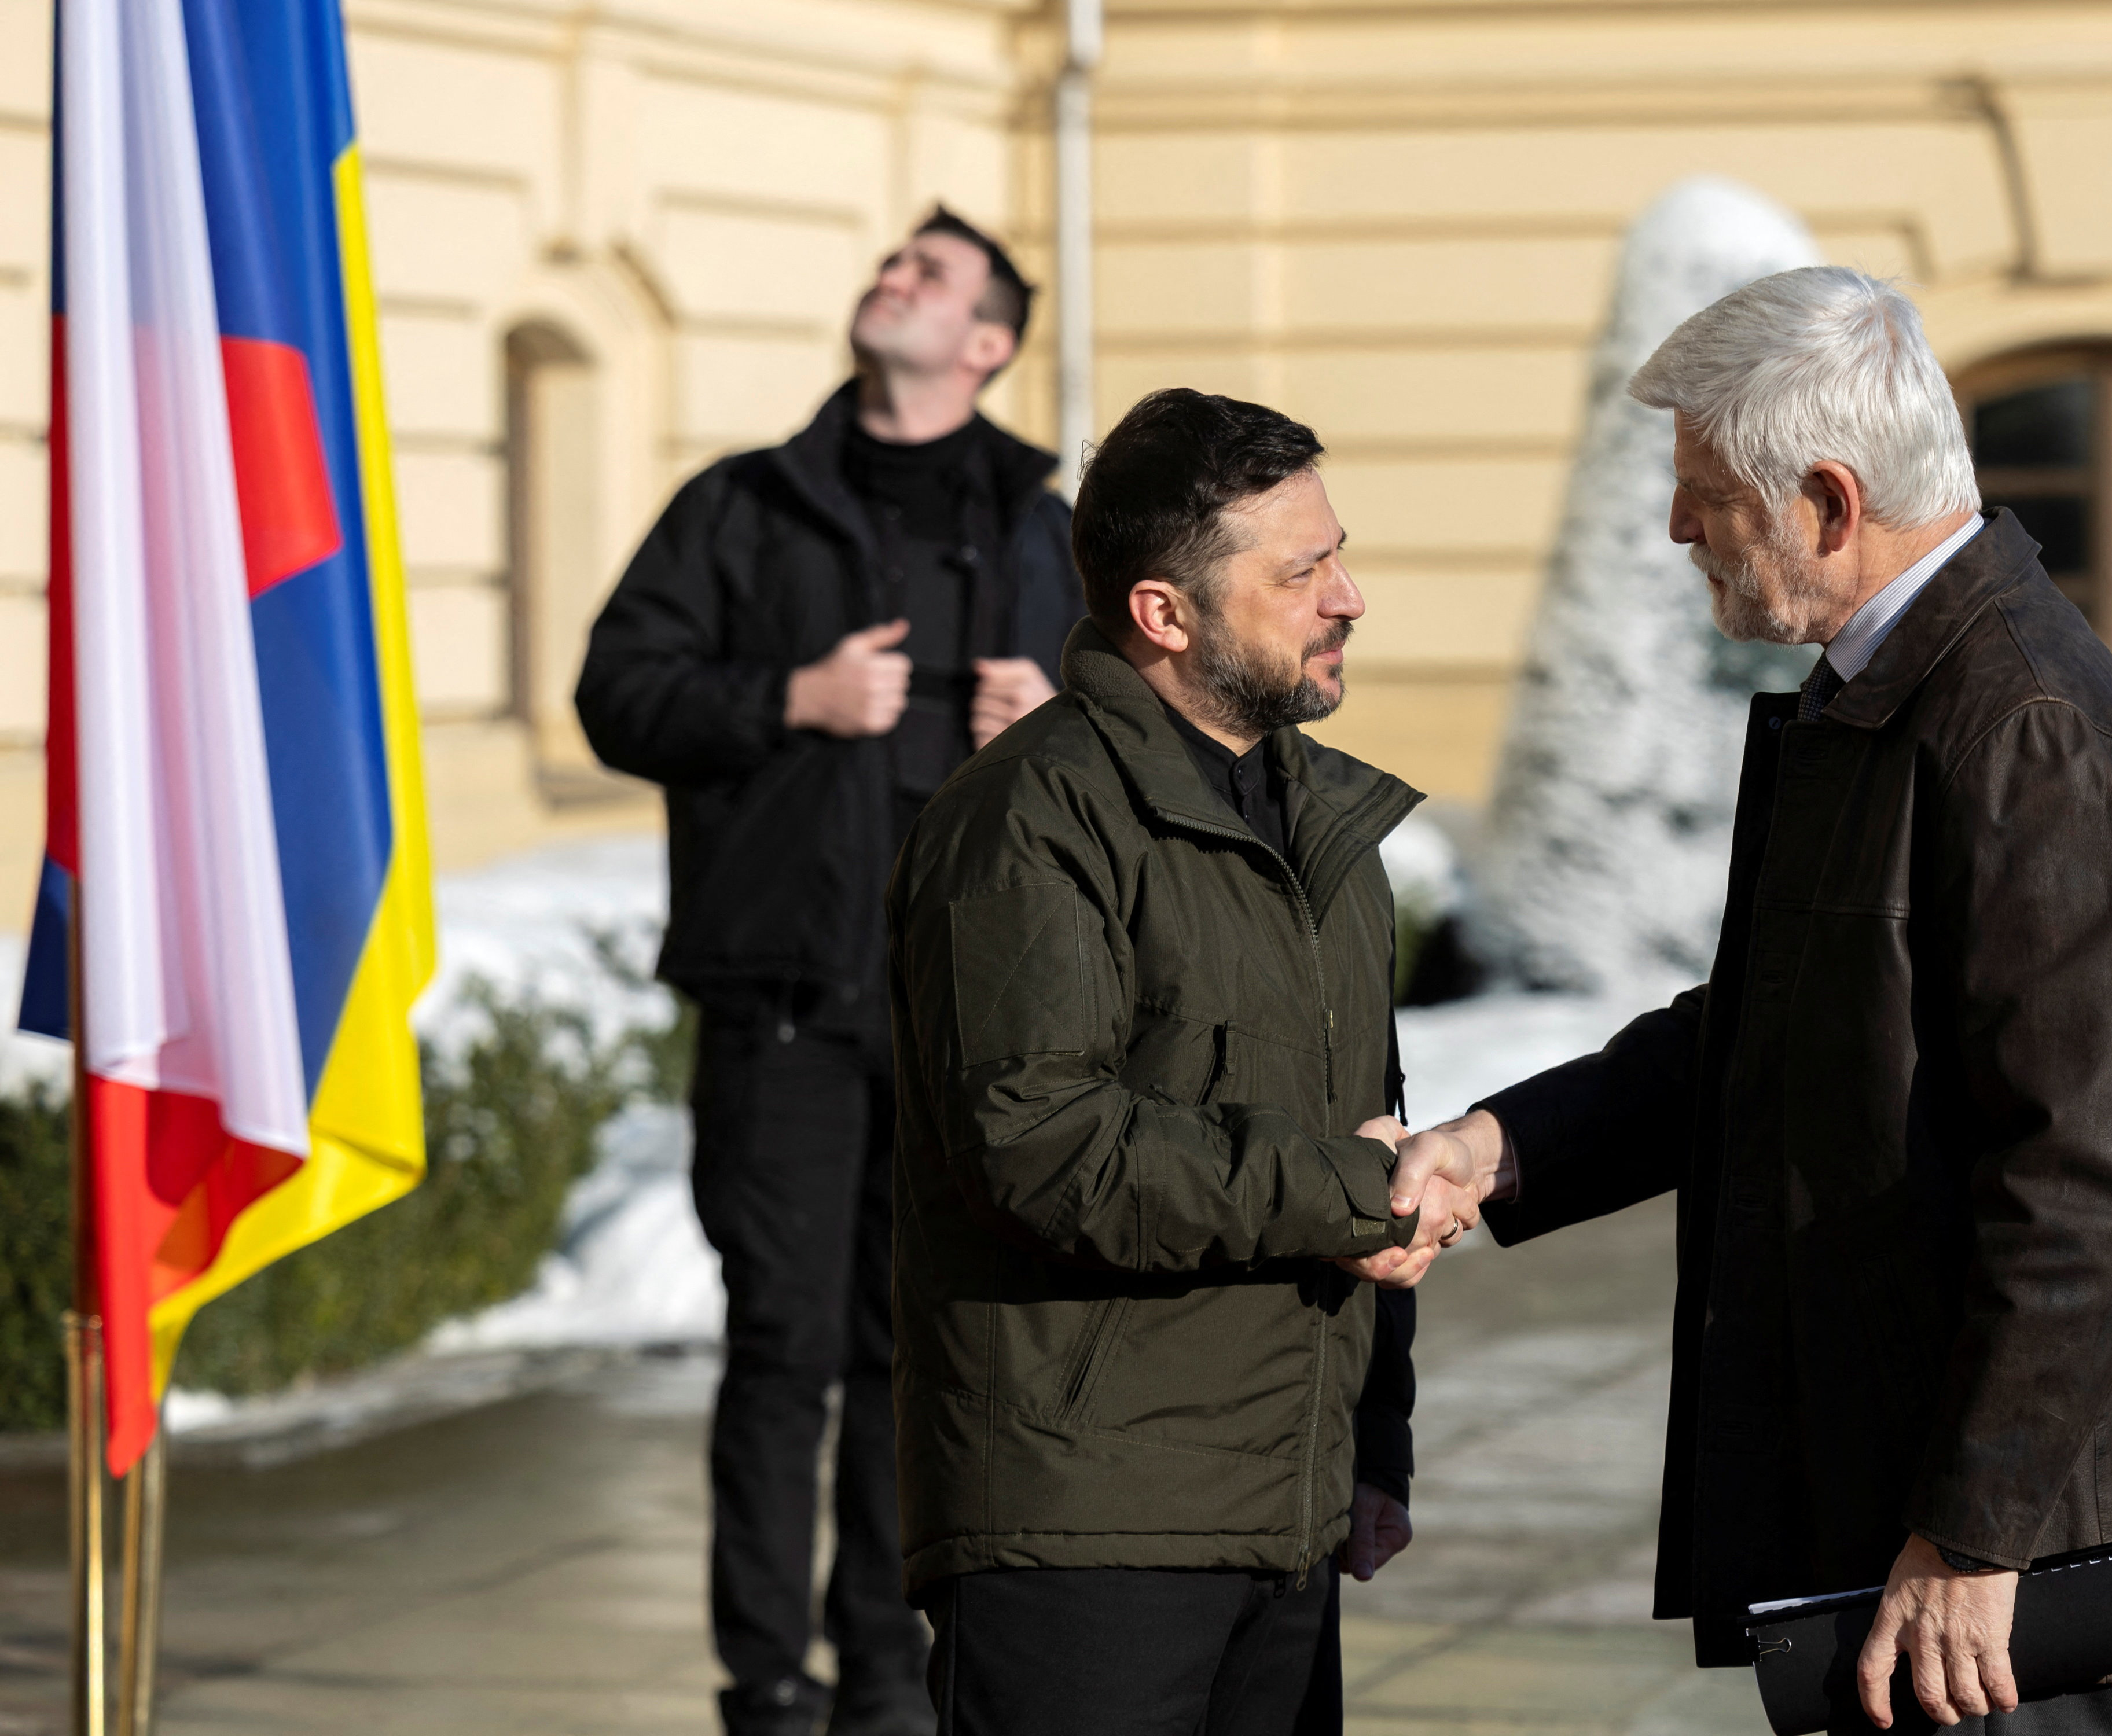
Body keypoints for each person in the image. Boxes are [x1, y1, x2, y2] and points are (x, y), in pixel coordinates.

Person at [1388, 267, 2112, 1734]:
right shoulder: (1899, 690)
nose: (1678, 528)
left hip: (1963, 1560)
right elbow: (1771, 1032)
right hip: (1884, 1497)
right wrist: (1500, 1148)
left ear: (1831, 504)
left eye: (1708, 495)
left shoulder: (2020, 727)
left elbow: (2094, 1189)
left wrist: (1974, 1535)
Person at [882, 387, 1475, 1736]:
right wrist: (1348, 1194)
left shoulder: (1325, 824)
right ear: (1165, 613)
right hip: (1083, 1532)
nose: (1349, 599)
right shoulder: (1026, 820)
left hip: (1285, 1516)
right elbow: (1045, 1148)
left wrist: (1372, 1443)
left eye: (1338, 556)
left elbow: (1367, 1126)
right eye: (1301, 574)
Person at [575, 207, 1085, 1736]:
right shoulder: (742, 506)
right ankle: (763, 1686)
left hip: (963, 1019)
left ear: (986, 344)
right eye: (893, 264)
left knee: (907, 1356)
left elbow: (1145, 728)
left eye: (929, 274)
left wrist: (1055, 719)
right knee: (780, 1352)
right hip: (785, 1010)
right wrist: (786, 696)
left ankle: (881, 1677)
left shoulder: (1041, 526)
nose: (892, 278)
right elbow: (616, 692)